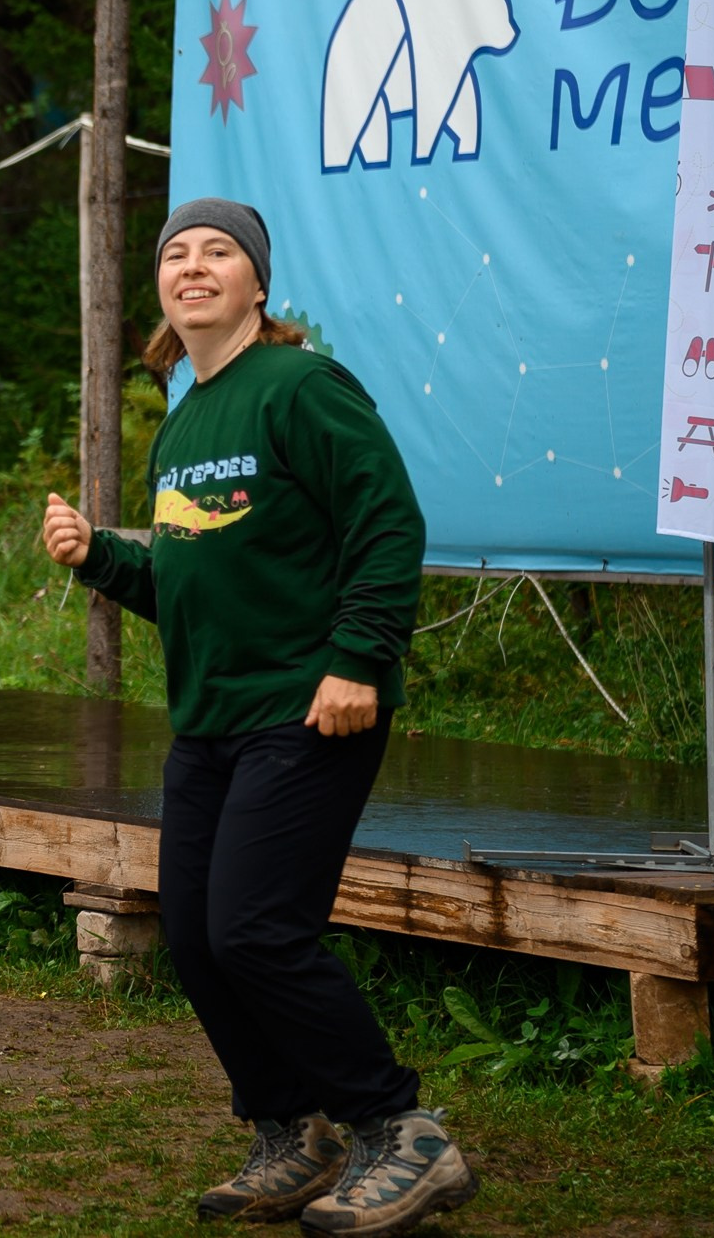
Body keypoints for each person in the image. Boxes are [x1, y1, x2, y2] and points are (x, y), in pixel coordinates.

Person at [39, 197, 477, 1236]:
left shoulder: (298, 384)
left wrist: (359, 659)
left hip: (309, 706)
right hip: (211, 720)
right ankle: (294, 1130)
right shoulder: (184, 417)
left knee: (255, 927)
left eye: (217, 252)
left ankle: (401, 1128)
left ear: (256, 283)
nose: (192, 266)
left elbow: (386, 521)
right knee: (195, 936)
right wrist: (100, 556)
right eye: (176, 253)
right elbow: (191, 579)